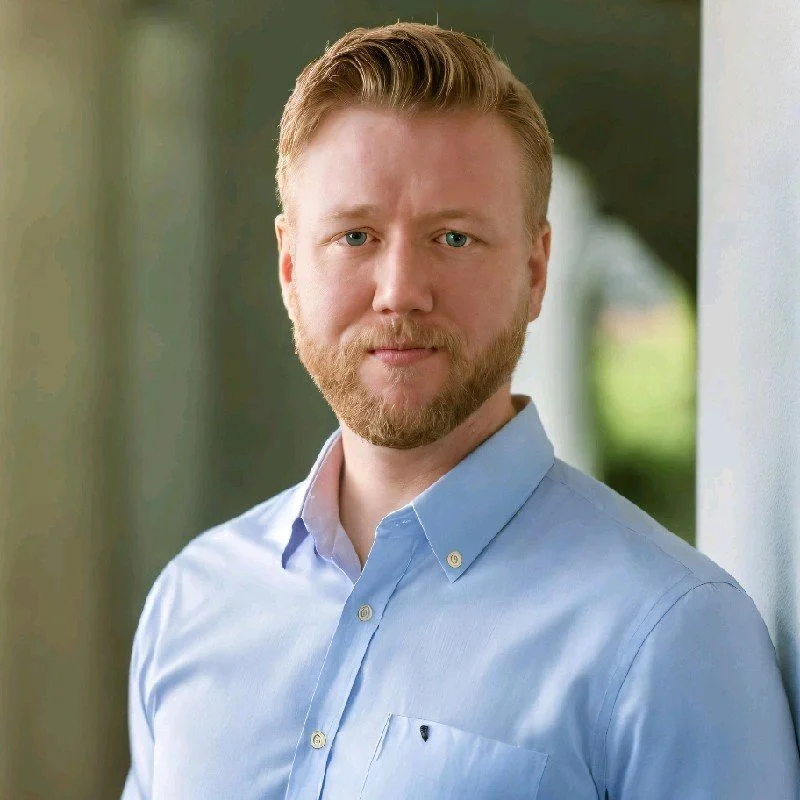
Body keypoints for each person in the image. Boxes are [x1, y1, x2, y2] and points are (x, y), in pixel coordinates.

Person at [122, 21, 800, 800]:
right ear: (288, 266)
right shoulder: (193, 601)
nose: (401, 290)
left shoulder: (672, 636)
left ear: (537, 270)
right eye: (354, 236)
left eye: (453, 236)